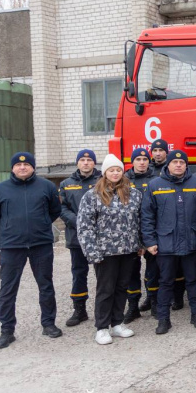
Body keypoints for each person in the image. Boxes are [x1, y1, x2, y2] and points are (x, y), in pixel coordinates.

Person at [0, 152, 62, 349]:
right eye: (18, 165)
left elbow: (54, 210)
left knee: (45, 285)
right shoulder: (0, 190)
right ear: (12, 168)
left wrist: (40, 225)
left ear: (33, 167)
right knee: (8, 289)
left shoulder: (47, 187)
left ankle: (48, 324)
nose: (22, 167)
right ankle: (7, 331)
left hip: (40, 245)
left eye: (26, 165)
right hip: (11, 246)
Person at [141, 150, 196, 334]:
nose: (178, 165)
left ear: (186, 165)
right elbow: (147, 216)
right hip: (166, 244)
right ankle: (164, 319)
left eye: (182, 162)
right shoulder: (155, 185)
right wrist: (149, 241)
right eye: (175, 162)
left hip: (192, 242)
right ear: (168, 165)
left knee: (193, 281)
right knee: (165, 283)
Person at [77, 155, 144, 345]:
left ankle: (117, 323)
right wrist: (92, 252)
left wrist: (139, 244)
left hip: (128, 250)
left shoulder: (133, 194)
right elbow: (85, 226)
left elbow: (138, 221)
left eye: (118, 170)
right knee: (106, 290)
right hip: (105, 252)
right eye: (111, 170)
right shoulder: (93, 196)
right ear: (104, 172)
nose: (115, 173)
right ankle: (102, 327)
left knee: (122, 288)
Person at [59, 149, 101, 327]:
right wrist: (79, 222)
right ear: (77, 163)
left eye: (89, 160)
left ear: (94, 163)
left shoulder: (102, 181)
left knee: (104, 275)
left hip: (101, 237)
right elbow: (61, 208)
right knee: (79, 273)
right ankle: (80, 309)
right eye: (82, 160)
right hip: (77, 238)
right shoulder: (66, 183)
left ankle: (104, 309)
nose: (85, 163)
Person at [123, 147, 157, 323]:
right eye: (138, 159)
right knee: (131, 272)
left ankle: (153, 301)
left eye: (145, 159)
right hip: (131, 234)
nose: (142, 162)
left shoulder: (156, 179)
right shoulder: (123, 180)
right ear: (132, 162)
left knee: (152, 270)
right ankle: (133, 306)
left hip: (150, 231)